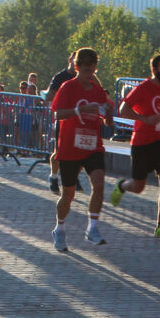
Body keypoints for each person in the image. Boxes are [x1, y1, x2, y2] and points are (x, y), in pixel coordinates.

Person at [111, 54, 160, 239]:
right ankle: (122, 186)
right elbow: (123, 109)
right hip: (143, 143)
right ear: (154, 70)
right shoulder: (143, 88)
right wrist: (144, 119)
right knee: (138, 186)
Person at [48, 47, 115, 250]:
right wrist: (80, 110)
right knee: (68, 194)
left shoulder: (97, 89)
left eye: (93, 71)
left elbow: (106, 121)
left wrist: (109, 114)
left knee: (99, 183)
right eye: (86, 71)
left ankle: (92, 227)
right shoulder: (68, 87)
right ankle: (59, 229)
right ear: (77, 67)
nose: (89, 75)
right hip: (70, 147)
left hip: (92, 146)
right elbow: (57, 114)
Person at [45, 55, 79, 194]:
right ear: (70, 60)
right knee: (59, 152)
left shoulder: (83, 78)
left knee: (80, 151)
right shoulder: (60, 77)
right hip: (63, 119)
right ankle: (53, 176)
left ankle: (74, 177)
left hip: (79, 120)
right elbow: (48, 96)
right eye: (76, 61)